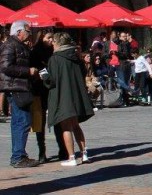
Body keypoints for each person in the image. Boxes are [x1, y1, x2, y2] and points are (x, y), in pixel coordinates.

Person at [41, 33, 95, 167]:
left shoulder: (55, 58)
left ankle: (71, 157)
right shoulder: (76, 57)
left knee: (66, 127)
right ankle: (84, 154)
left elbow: (52, 81)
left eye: (53, 41)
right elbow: (83, 73)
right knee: (76, 125)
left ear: (58, 42)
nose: (52, 43)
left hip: (63, 96)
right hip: (76, 95)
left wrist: (44, 75)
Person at [1, 21, 41, 168]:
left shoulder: (19, 45)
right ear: (18, 32)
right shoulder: (10, 45)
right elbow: (5, 67)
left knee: (19, 122)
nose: (29, 33)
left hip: (19, 86)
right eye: (28, 31)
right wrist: (27, 71)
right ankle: (18, 156)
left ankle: (18, 155)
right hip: (16, 87)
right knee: (23, 121)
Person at [30, 31, 59, 161]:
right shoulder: (35, 51)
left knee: (57, 117)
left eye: (52, 38)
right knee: (39, 121)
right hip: (39, 89)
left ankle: (63, 149)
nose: (51, 40)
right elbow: (34, 67)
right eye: (48, 38)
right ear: (42, 37)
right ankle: (42, 152)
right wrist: (44, 72)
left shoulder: (54, 50)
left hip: (52, 88)